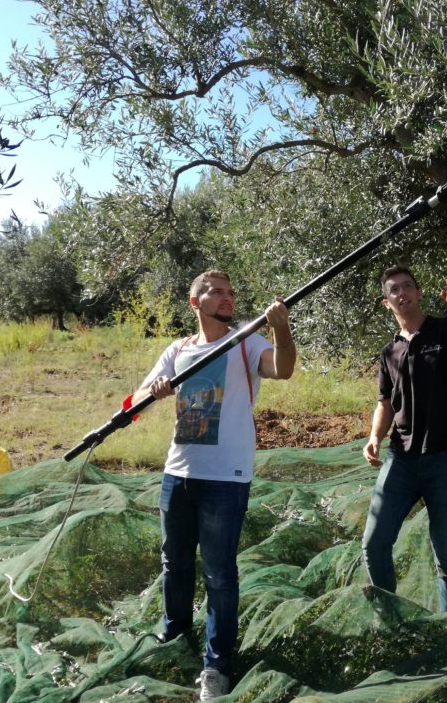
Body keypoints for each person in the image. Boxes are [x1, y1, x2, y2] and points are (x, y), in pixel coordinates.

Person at [130, 269, 296, 701]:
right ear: (194, 301)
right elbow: (135, 397)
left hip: (226, 477)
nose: (226, 298)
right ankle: (174, 633)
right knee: (174, 561)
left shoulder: (247, 340)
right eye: (215, 292)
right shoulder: (179, 349)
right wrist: (155, 389)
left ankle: (216, 665)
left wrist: (281, 331)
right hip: (178, 472)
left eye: (229, 292)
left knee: (219, 574)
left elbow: (283, 369)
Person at [361, 265, 447, 612]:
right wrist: (375, 436)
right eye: (394, 289)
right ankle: (392, 617)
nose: (402, 293)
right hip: (402, 458)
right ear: (386, 302)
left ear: (419, 294)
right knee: (374, 545)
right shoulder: (389, 351)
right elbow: (386, 402)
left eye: (408, 286)